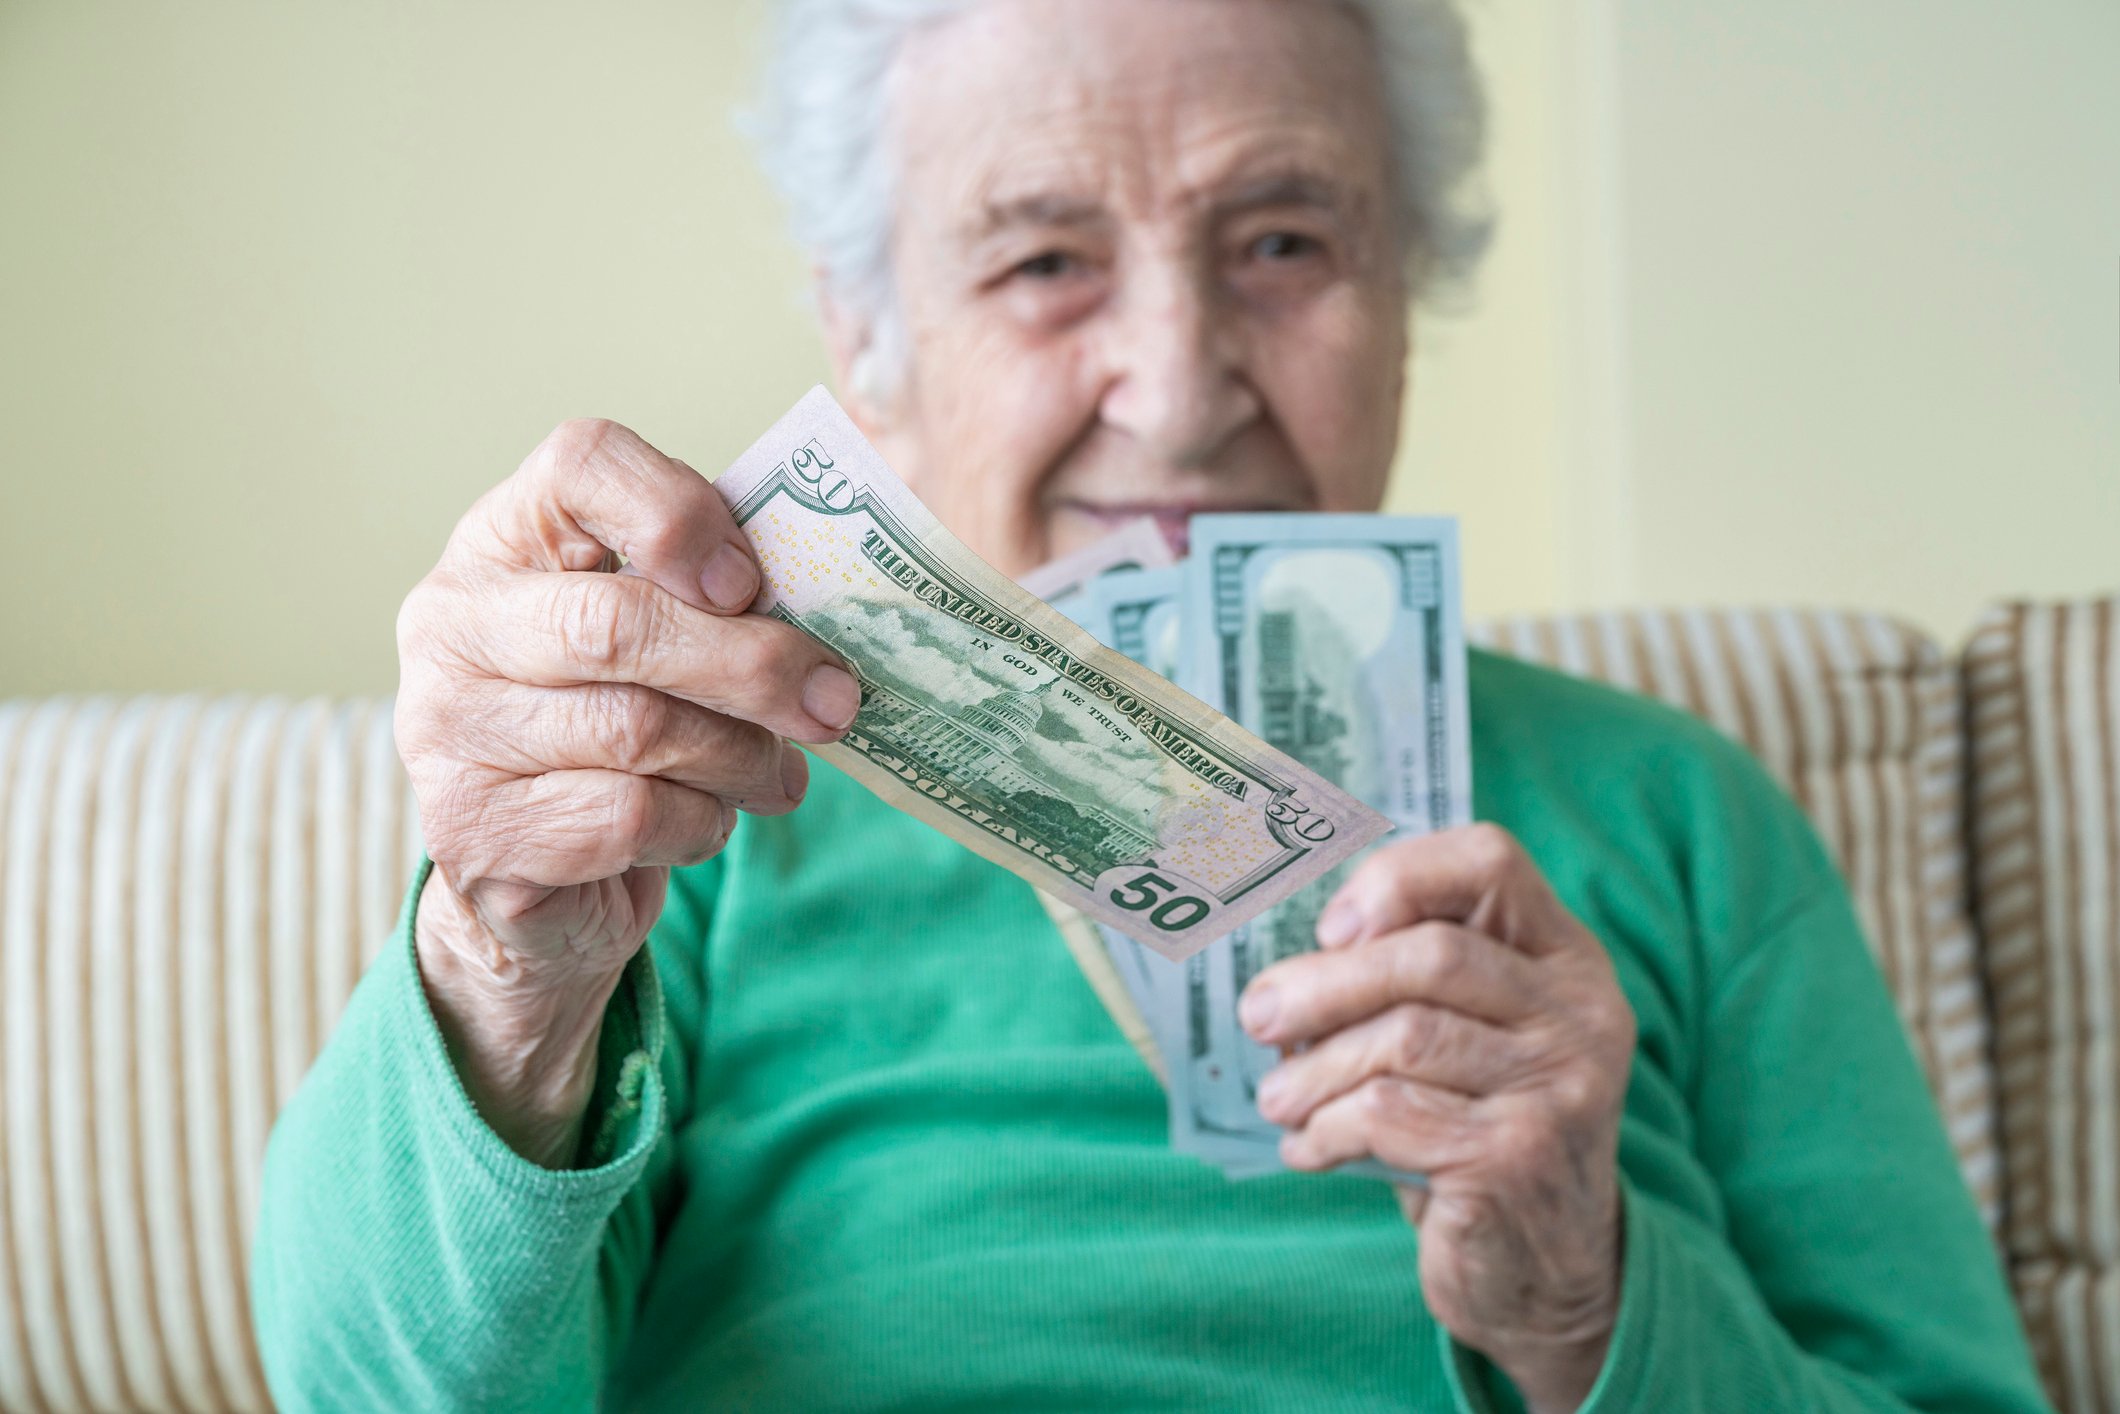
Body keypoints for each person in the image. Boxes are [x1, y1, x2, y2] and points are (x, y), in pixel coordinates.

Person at [251, 1, 2053, 1409]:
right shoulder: (690, 805)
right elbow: (379, 1388)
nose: (1180, 389)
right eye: (1044, 262)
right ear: (865, 339)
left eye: (1283, 244)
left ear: (1405, 302)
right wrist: (503, 965)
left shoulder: (1680, 809)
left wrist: (1592, 1302)